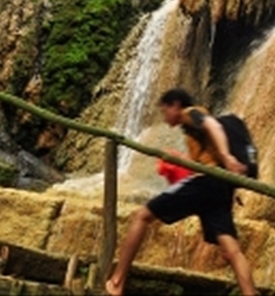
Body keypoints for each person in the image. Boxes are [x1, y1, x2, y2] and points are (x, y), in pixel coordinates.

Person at [105, 88, 256, 296]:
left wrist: (227, 156)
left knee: (141, 216)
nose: (165, 117)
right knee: (232, 250)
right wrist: (181, 160)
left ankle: (117, 281)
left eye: (165, 110)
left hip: (205, 184)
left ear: (175, 105)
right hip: (220, 188)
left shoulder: (190, 113)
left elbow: (212, 126)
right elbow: (204, 160)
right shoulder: (191, 132)